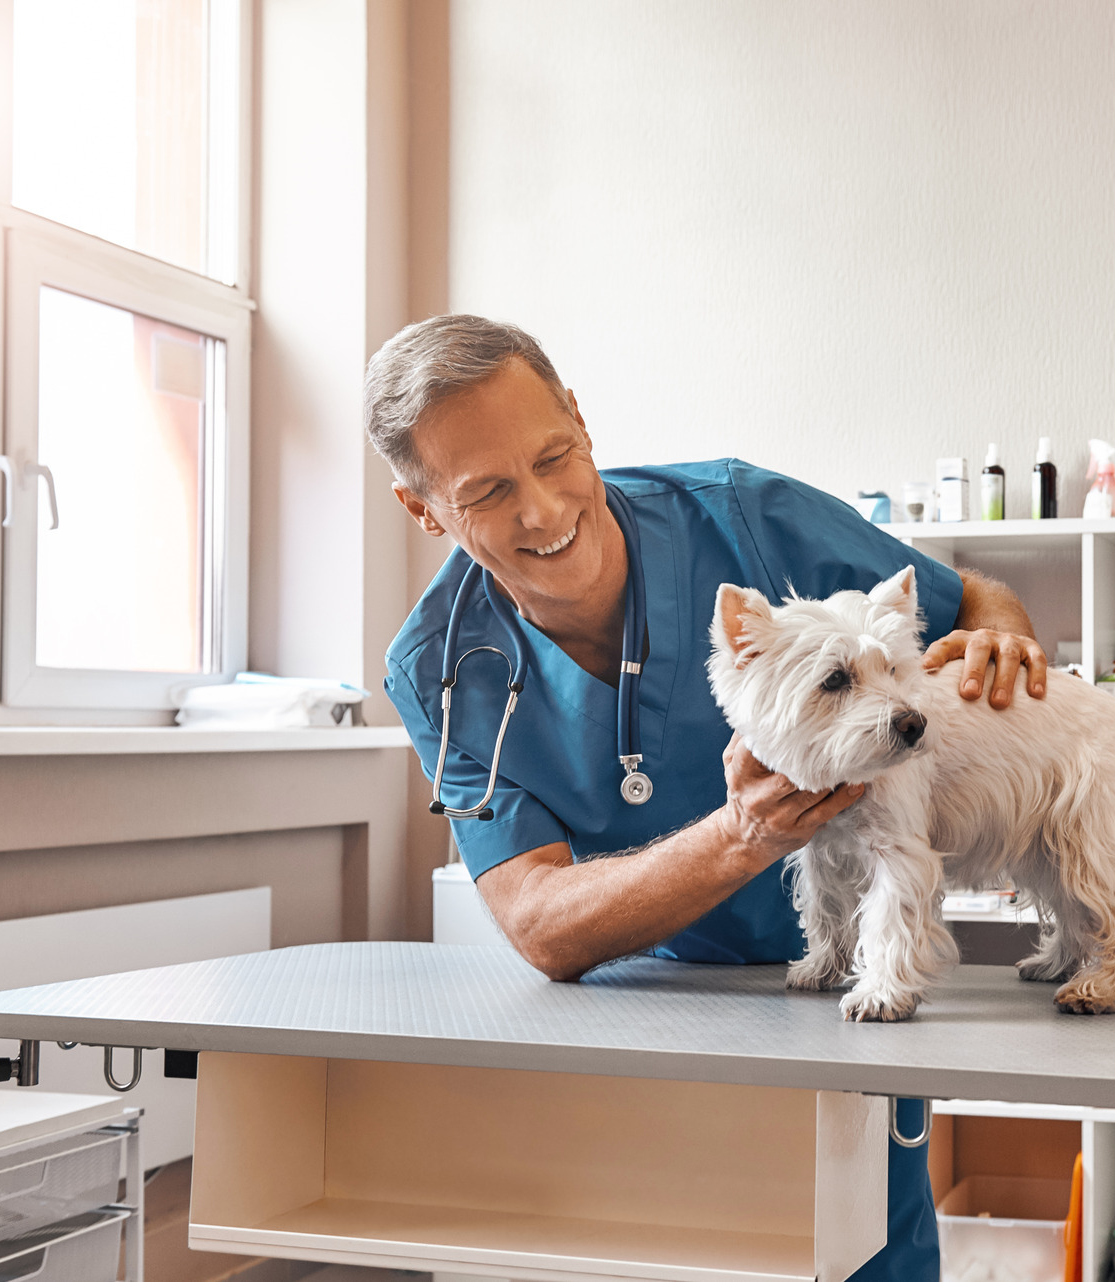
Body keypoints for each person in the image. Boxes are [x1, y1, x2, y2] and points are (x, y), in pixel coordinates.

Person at [369, 314, 1049, 1281]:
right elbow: (540, 924)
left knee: (860, 1250)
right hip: (644, 1022)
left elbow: (965, 598)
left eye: (555, 456)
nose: (544, 509)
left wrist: (1006, 634)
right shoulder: (438, 669)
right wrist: (741, 836)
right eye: (487, 491)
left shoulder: (743, 515)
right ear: (424, 508)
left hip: (842, 998)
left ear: (581, 419)